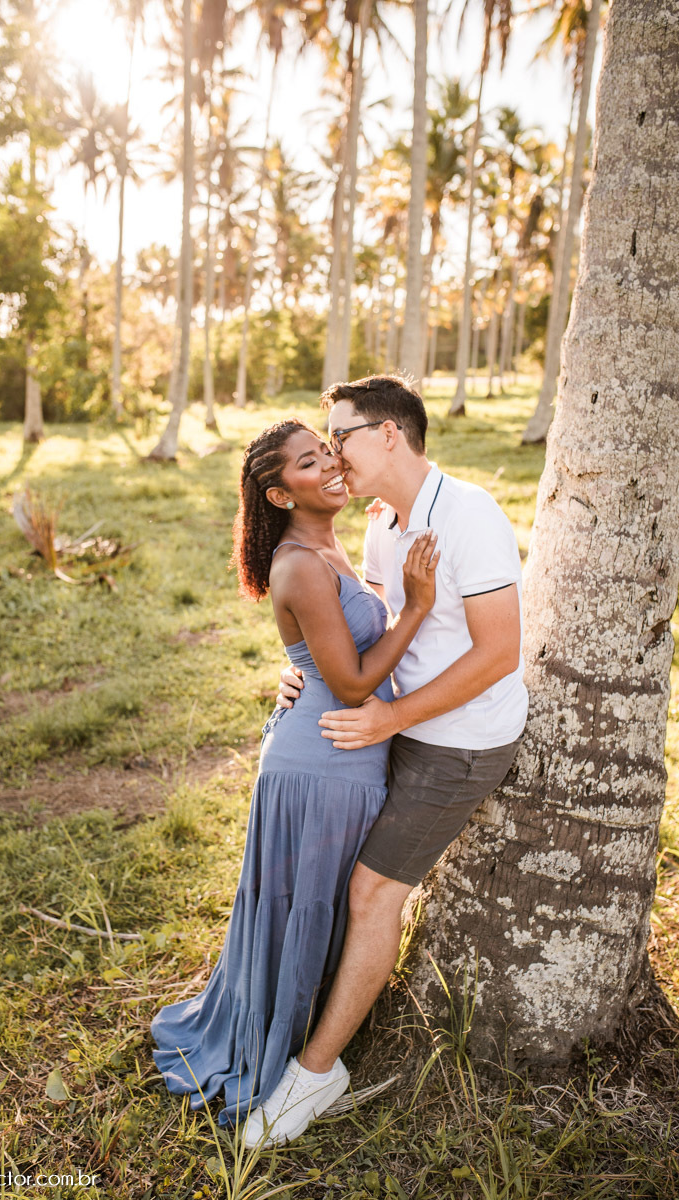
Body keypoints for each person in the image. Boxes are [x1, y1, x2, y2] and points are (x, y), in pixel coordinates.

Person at [247, 374, 528, 1147]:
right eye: (323, 445)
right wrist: (298, 663)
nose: (333, 454)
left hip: (460, 741)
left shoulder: (468, 514)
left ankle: (314, 1076)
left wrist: (388, 719)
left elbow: (500, 652)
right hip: (394, 727)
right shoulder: (380, 523)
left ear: (388, 435)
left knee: (372, 892)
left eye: (339, 437)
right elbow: (366, 621)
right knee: (341, 880)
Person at [150, 417, 440, 1141]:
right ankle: (290, 1050)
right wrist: (415, 607)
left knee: (315, 899)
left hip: (327, 750)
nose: (331, 466)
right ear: (280, 494)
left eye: (328, 451)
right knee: (306, 900)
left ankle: (302, 1028)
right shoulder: (301, 562)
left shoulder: (328, 541)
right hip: (326, 762)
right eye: (310, 464)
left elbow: (322, 652)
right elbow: (349, 684)